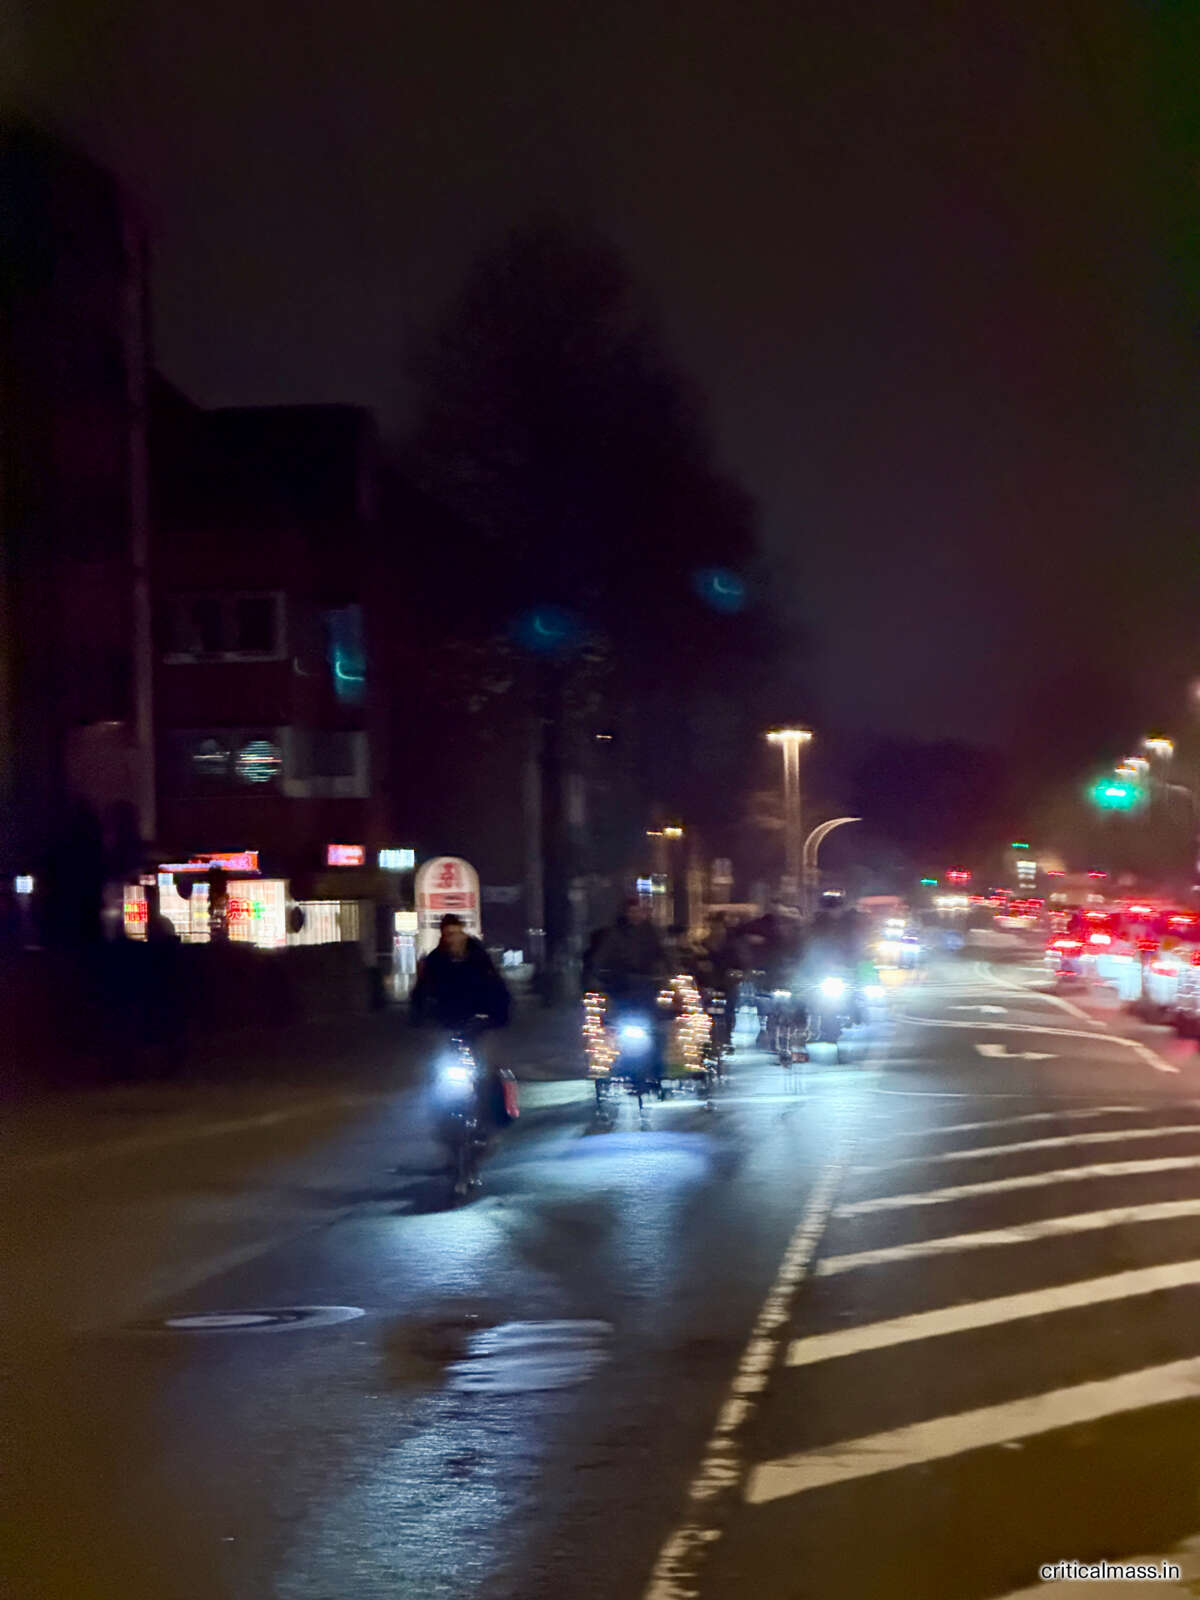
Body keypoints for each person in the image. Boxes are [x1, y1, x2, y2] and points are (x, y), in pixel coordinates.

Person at [411, 915, 512, 1126]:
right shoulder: (435, 961)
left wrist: (498, 1014)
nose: (453, 939)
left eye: (456, 933)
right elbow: (421, 991)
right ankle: (442, 1118)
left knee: (486, 1071)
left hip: (479, 1022)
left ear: (463, 933)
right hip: (448, 1023)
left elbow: (496, 986)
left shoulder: (478, 957)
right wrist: (417, 1016)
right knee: (438, 1071)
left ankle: (497, 1117)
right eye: (448, 935)